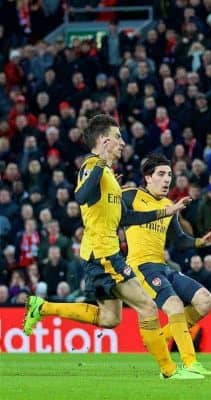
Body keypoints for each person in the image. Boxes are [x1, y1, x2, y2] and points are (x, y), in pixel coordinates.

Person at [22, 115, 196, 380]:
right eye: (117, 137)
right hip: (103, 254)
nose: (122, 142)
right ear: (104, 141)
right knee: (148, 307)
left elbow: (127, 218)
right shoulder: (92, 166)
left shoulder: (109, 176)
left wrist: (167, 212)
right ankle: (170, 371)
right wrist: (101, 163)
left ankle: (41, 307)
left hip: (101, 253)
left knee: (109, 319)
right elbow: (80, 196)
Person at [122, 154, 211, 376]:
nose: (167, 179)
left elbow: (178, 239)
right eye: (161, 174)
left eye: (169, 174)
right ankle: (189, 364)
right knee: (175, 306)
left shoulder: (169, 205)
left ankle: (158, 338)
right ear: (147, 178)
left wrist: (200, 241)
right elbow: (114, 213)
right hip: (141, 266)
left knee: (206, 301)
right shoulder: (131, 196)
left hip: (162, 266)